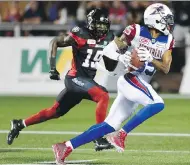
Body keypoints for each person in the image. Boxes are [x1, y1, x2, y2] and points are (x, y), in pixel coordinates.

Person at [51, 3, 175, 164]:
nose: (169, 23)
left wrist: (151, 58)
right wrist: (120, 57)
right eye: (166, 19)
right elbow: (109, 49)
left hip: (141, 84)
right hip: (131, 79)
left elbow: (165, 68)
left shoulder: (168, 39)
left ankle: (65, 147)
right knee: (158, 103)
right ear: (155, 20)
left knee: (109, 124)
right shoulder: (136, 31)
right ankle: (121, 134)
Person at [7, 8, 126, 151]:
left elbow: (110, 65)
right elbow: (55, 42)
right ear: (90, 24)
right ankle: (98, 138)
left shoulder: (109, 38)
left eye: (103, 25)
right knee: (103, 96)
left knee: (54, 112)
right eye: (98, 25)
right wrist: (52, 67)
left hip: (85, 82)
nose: (101, 29)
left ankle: (19, 124)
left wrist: (119, 55)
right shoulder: (80, 34)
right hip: (75, 79)